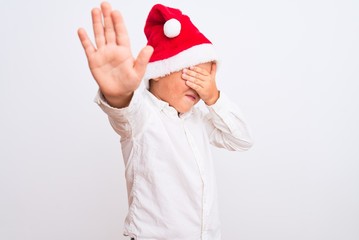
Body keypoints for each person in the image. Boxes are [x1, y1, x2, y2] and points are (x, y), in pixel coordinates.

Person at [78, 2, 253, 240]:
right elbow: (123, 111)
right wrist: (118, 93)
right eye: (192, 73)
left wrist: (215, 98)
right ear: (160, 70)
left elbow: (241, 140)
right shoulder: (143, 117)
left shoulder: (199, 118)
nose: (199, 86)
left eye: (206, 80)